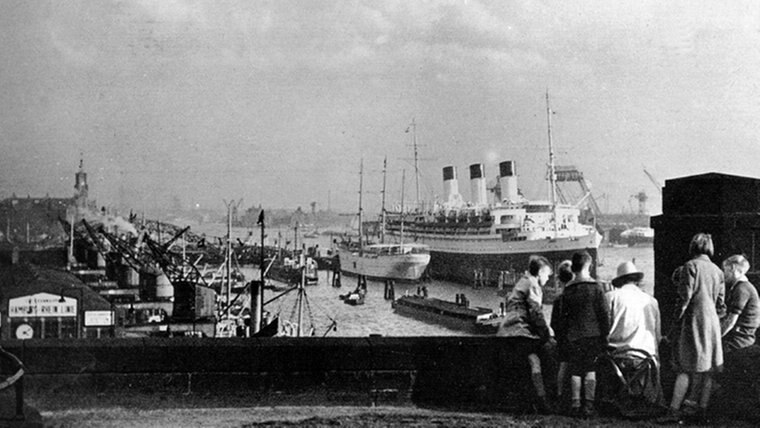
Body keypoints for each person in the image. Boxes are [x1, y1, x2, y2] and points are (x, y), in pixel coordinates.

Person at [660, 233, 725, 424]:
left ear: (693, 247)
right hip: (711, 323)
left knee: (684, 367)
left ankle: (673, 411)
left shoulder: (691, 266)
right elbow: (721, 306)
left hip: (693, 321)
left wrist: (673, 327)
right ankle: (701, 411)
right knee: (707, 369)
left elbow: (683, 299)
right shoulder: (718, 271)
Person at [599, 261, 663, 416]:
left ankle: (608, 398)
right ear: (636, 280)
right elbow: (657, 335)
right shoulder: (652, 301)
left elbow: (604, 330)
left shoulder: (610, 297)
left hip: (617, 357)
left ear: (619, 280)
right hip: (646, 359)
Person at [551, 251, 609, 417]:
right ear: (588, 266)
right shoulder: (596, 288)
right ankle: (589, 405)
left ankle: (575, 403)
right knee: (590, 369)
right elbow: (604, 315)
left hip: (573, 337)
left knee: (576, 370)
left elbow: (562, 319)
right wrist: (605, 335)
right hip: (593, 335)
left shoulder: (567, 291)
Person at [497, 255, 554, 413]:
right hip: (520, 331)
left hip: (508, 331)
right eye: (547, 274)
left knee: (531, 360)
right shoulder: (533, 284)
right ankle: (541, 400)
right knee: (541, 356)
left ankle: (534, 401)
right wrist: (546, 334)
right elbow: (536, 313)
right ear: (540, 271)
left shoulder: (523, 281)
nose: (548, 278)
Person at [720, 254, 760, 353]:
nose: (722, 274)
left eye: (724, 270)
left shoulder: (742, 289)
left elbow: (730, 322)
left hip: (739, 340)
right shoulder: (743, 286)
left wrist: (715, 338)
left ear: (732, 268)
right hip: (743, 337)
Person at [552, 260, 573, 408]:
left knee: (562, 367)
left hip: (563, 337)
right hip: (577, 337)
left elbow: (554, 322)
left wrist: (559, 335)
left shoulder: (559, 298)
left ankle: (560, 396)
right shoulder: (576, 295)